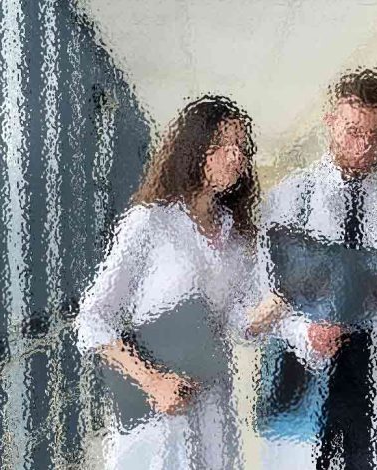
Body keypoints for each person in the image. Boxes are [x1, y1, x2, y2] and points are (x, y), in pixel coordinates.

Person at [75, 95, 261, 469]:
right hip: (156, 410)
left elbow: (239, 322)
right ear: (195, 149)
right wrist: (152, 381)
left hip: (212, 404)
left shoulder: (238, 240)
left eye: (241, 148)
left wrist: (284, 298)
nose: (235, 157)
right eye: (223, 145)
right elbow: (91, 319)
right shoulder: (150, 223)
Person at [258, 69, 377, 469]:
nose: (365, 146)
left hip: (369, 363)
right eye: (353, 131)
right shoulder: (290, 198)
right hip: (304, 360)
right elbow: (261, 294)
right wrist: (305, 331)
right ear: (330, 120)